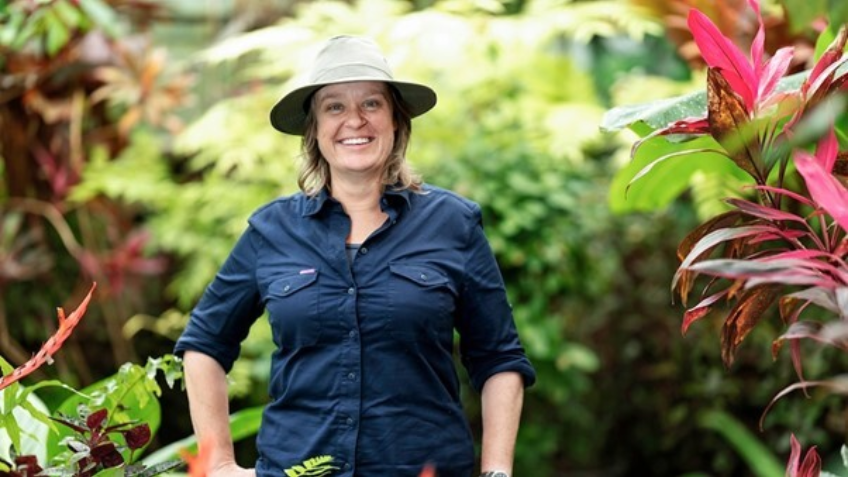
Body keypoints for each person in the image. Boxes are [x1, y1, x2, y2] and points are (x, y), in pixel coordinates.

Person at [174, 35, 536, 477]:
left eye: (371, 104)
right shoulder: (271, 230)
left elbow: (498, 357)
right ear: (314, 128)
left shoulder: (453, 224)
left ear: (396, 121)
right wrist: (217, 464)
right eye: (334, 106)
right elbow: (204, 344)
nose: (354, 121)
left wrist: (497, 470)